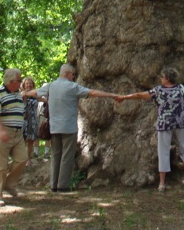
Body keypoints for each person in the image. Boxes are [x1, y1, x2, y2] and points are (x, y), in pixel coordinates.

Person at [116, 66, 184, 192]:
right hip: (180, 123)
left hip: (164, 124)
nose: (160, 79)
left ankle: (162, 183)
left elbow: (141, 95)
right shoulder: (182, 89)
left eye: (162, 77)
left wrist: (124, 97)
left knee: (163, 151)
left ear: (167, 78)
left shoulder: (158, 90)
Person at [25, 63, 119, 192]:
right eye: (73, 74)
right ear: (68, 73)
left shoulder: (51, 86)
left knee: (56, 155)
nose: (73, 77)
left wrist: (22, 94)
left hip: (54, 127)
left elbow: (34, 92)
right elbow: (92, 92)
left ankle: (53, 184)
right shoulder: (72, 87)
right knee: (67, 156)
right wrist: (111, 95)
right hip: (68, 127)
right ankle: (62, 185)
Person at [0, 67, 28, 206]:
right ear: (11, 81)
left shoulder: (18, 93)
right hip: (4, 131)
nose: (21, 82)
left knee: (22, 159)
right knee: (0, 165)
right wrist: (0, 130)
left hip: (18, 133)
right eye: (19, 80)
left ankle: (9, 184)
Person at [20, 76, 40, 166]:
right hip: (24, 120)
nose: (29, 85)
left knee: (31, 141)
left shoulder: (35, 94)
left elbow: (43, 99)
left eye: (30, 83)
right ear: (24, 85)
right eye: (27, 83)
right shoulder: (21, 93)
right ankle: (21, 159)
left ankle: (29, 159)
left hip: (33, 120)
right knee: (22, 140)